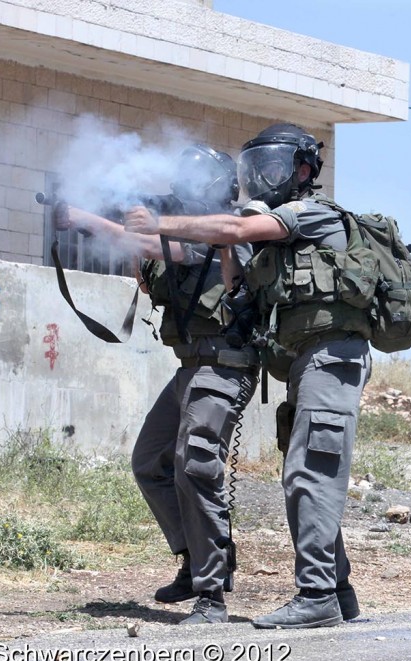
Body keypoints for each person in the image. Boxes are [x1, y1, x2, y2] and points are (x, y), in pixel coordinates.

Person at [125, 123, 366, 629]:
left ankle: (317, 594)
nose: (263, 179)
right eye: (257, 169)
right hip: (303, 358)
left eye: (274, 168)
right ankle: (337, 591)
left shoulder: (310, 213)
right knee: (307, 469)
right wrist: (227, 239)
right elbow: (236, 284)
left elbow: (232, 232)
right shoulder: (270, 228)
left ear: (304, 170)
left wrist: (169, 223)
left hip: (331, 356)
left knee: (308, 471)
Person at [57, 144, 260, 626]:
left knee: (196, 467)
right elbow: (149, 270)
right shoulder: (180, 233)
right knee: (149, 462)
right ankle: (194, 561)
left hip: (224, 366)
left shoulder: (227, 232)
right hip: (190, 366)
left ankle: (212, 594)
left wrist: (87, 217)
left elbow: (156, 245)